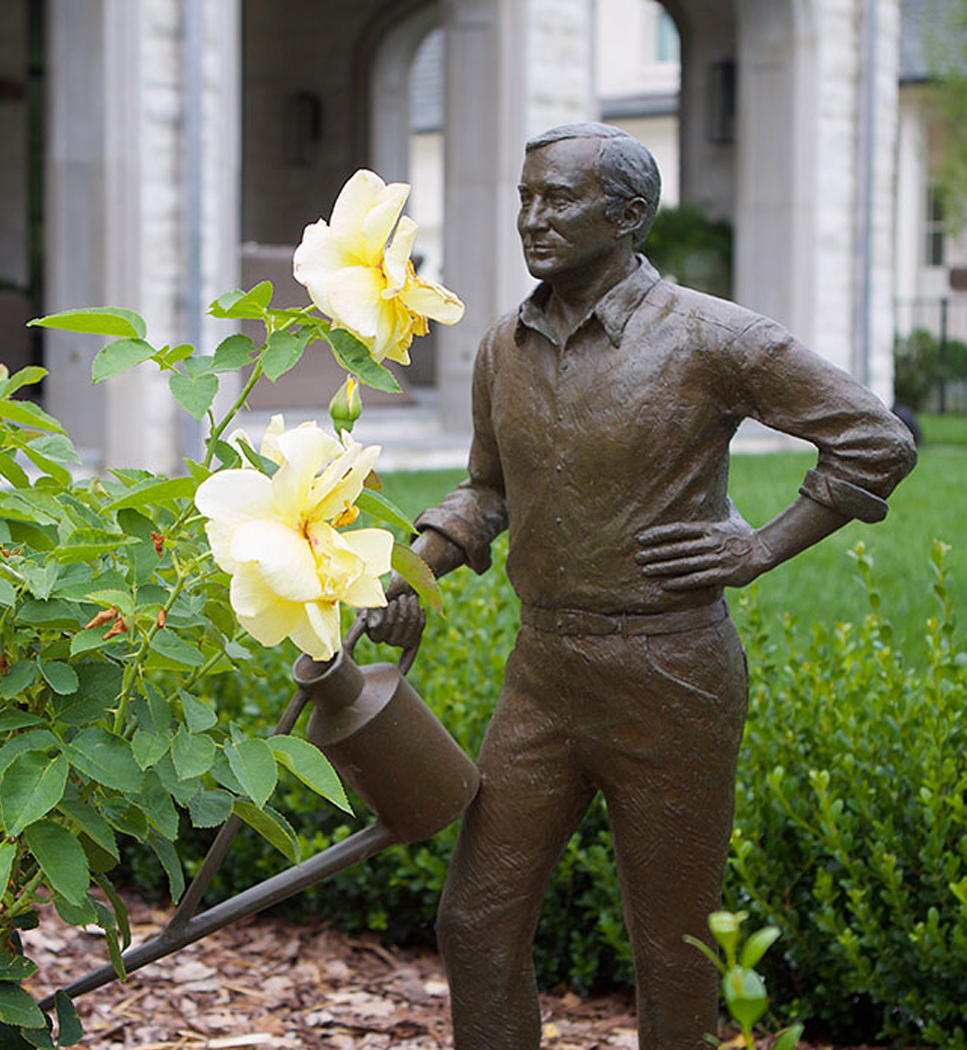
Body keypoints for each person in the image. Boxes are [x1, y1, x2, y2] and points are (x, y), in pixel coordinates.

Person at [367, 123, 917, 1050]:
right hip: (544, 673)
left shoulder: (714, 336)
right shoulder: (504, 344)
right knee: (475, 918)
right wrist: (413, 564)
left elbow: (877, 440)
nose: (532, 218)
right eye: (525, 197)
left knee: (674, 948)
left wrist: (761, 549)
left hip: (672, 676)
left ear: (627, 217)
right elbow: (488, 488)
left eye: (558, 199)